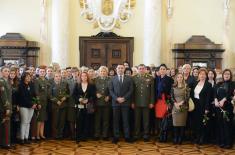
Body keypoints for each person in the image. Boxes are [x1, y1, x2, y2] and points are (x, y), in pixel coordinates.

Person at [109, 64, 133, 144]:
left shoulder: (129, 79)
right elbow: (111, 91)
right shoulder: (112, 79)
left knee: (126, 120)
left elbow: (130, 90)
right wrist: (117, 98)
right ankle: (116, 137)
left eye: (122, 68)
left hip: (125, 103)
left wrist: (124, 98)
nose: (120, 69)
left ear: (124, 69)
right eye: (119, 68)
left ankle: (127, 136)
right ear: (116, 69)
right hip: (115, 103)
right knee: (116, 120)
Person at [132, 64, 154, 141]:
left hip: (146, 102)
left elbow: (152, 91)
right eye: (140, 68)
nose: (141, 70)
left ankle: (146, 135)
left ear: (145, 69)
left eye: (143, 68)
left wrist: (151, 102)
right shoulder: (134, 78)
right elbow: (132, 91)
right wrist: (132, 102)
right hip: (137, 102)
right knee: (136, 120)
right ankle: (136, 134)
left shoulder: (150, 78)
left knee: (146, 120)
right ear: (138, 70)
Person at [73, 71, 96, 142]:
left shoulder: (91, 85)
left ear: (87, 77)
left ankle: (85, 136)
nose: (84, 77)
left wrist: (88, 100)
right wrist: (79, 99)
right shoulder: (77, 84)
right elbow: (74, 94)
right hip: (79, 106)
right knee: (79, 121)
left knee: (87, 121)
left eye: (85, 76)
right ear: (80, 77)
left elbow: (93, 95)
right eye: (82, 76)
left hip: (88, 106)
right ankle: (78, 136)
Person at [191, 68, 212, 145]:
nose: (202, 75)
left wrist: (207, 108)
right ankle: (197, 137)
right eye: (200, 74)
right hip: (195, 105)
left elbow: (208, 98)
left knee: (202, 122)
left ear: (206, 76)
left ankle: (202, 138)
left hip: (203, 105)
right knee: (196, 122)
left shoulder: (208, 84)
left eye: (203, 74)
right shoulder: (195, 83)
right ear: (198, 75)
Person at [214, 69, 234, 149]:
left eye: (228, 74)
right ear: (223, 75)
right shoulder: (219, 84)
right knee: (220, 125)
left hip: (228, 107)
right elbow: (214, 92)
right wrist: (215, 100)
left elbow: (230, 94)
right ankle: (222, 142)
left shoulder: (233, 84)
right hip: (218, 107)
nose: (226, 75)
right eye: (225, 74)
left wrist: (223, 100)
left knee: (227, 125)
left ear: (230, 75)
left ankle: (228, 143)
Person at [154, 64, 174, 142]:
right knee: (159, 118)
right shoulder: (156, 79)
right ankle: (160, 134)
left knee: (165, 118)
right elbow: (155, 90)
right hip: (158, 101)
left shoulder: (170, 79)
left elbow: (171, 92)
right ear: (159, 70)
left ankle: (164, 136)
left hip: (166, 100)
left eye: (164, 69)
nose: (162, 70)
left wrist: (169, 103)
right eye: (161, 69)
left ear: (166, 70)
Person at [170, 73, 190, 144]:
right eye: (178, 77)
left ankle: (180, 138)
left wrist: (181, 103)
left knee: (182, 123)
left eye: (181, 77)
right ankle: (175, 137)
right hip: (175, 107)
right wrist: (175, 103)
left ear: (183, 78)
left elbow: (187, 97)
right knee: (175, 123)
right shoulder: (173, 87)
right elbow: (171, 97)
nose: (179, 78)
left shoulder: (186, 87)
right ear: (176, 78)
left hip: (183, 107)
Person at [50, 71, 69, 139]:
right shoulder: (51, 84)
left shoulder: (65, 84)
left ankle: (60, 134)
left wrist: (65, 97)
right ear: (54, 77)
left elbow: (68, 93)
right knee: (55, 121)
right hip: (55, 106)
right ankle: (55, 135)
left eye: (59, 76)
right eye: (56, 76)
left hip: (63, 105)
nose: (58, 78)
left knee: (62, 121)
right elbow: (50, 95)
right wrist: (56, 101)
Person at [18, 72, 36, 144]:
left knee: (28, 122)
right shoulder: (21, 85)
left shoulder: (31, 85)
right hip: (23, 106)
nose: (28, 78)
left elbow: (34, 95)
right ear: (23, 77)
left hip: (32, 106)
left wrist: (35, 103)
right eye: (27, 76)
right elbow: (23, 97)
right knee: (24, 122)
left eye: (29, 76)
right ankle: (21, 138)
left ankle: (26, 138)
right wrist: (31, 104)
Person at [94, 66, 111, 140]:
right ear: (99, 72)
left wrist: (109, 96)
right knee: (97, 120)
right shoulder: (95, 80)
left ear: (106, 72)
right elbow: (91, 89)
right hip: (98, 103)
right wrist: (96, 93)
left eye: (104, 71)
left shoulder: (110, 79)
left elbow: (113, 90)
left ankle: (105, 135)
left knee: (106, 120)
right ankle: (97, 134)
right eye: (101, 71)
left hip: (106, 103)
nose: (103, 72)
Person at [34, 66, 50, 140]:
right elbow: (36, 93)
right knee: (39, 119)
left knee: (43, 119)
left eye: (43, 71)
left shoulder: (46, 80)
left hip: (45, 102)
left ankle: (41, 134)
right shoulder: (37, 80)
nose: (42, 73)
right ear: (38, 72)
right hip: (40, 102)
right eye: (41, 71)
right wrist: (38, 103)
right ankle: (37, 134)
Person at [0, 66, 13, 149]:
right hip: (4, 107)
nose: (7, 73)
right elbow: (3, 96)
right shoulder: (1, 81)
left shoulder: (7, 81)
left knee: (6, 125)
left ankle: (5, 142)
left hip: (9, 105)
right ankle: (5, 143)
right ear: (1, 72)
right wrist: (7, 108)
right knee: (5, 126)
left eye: (8, 71)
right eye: (5, 71)